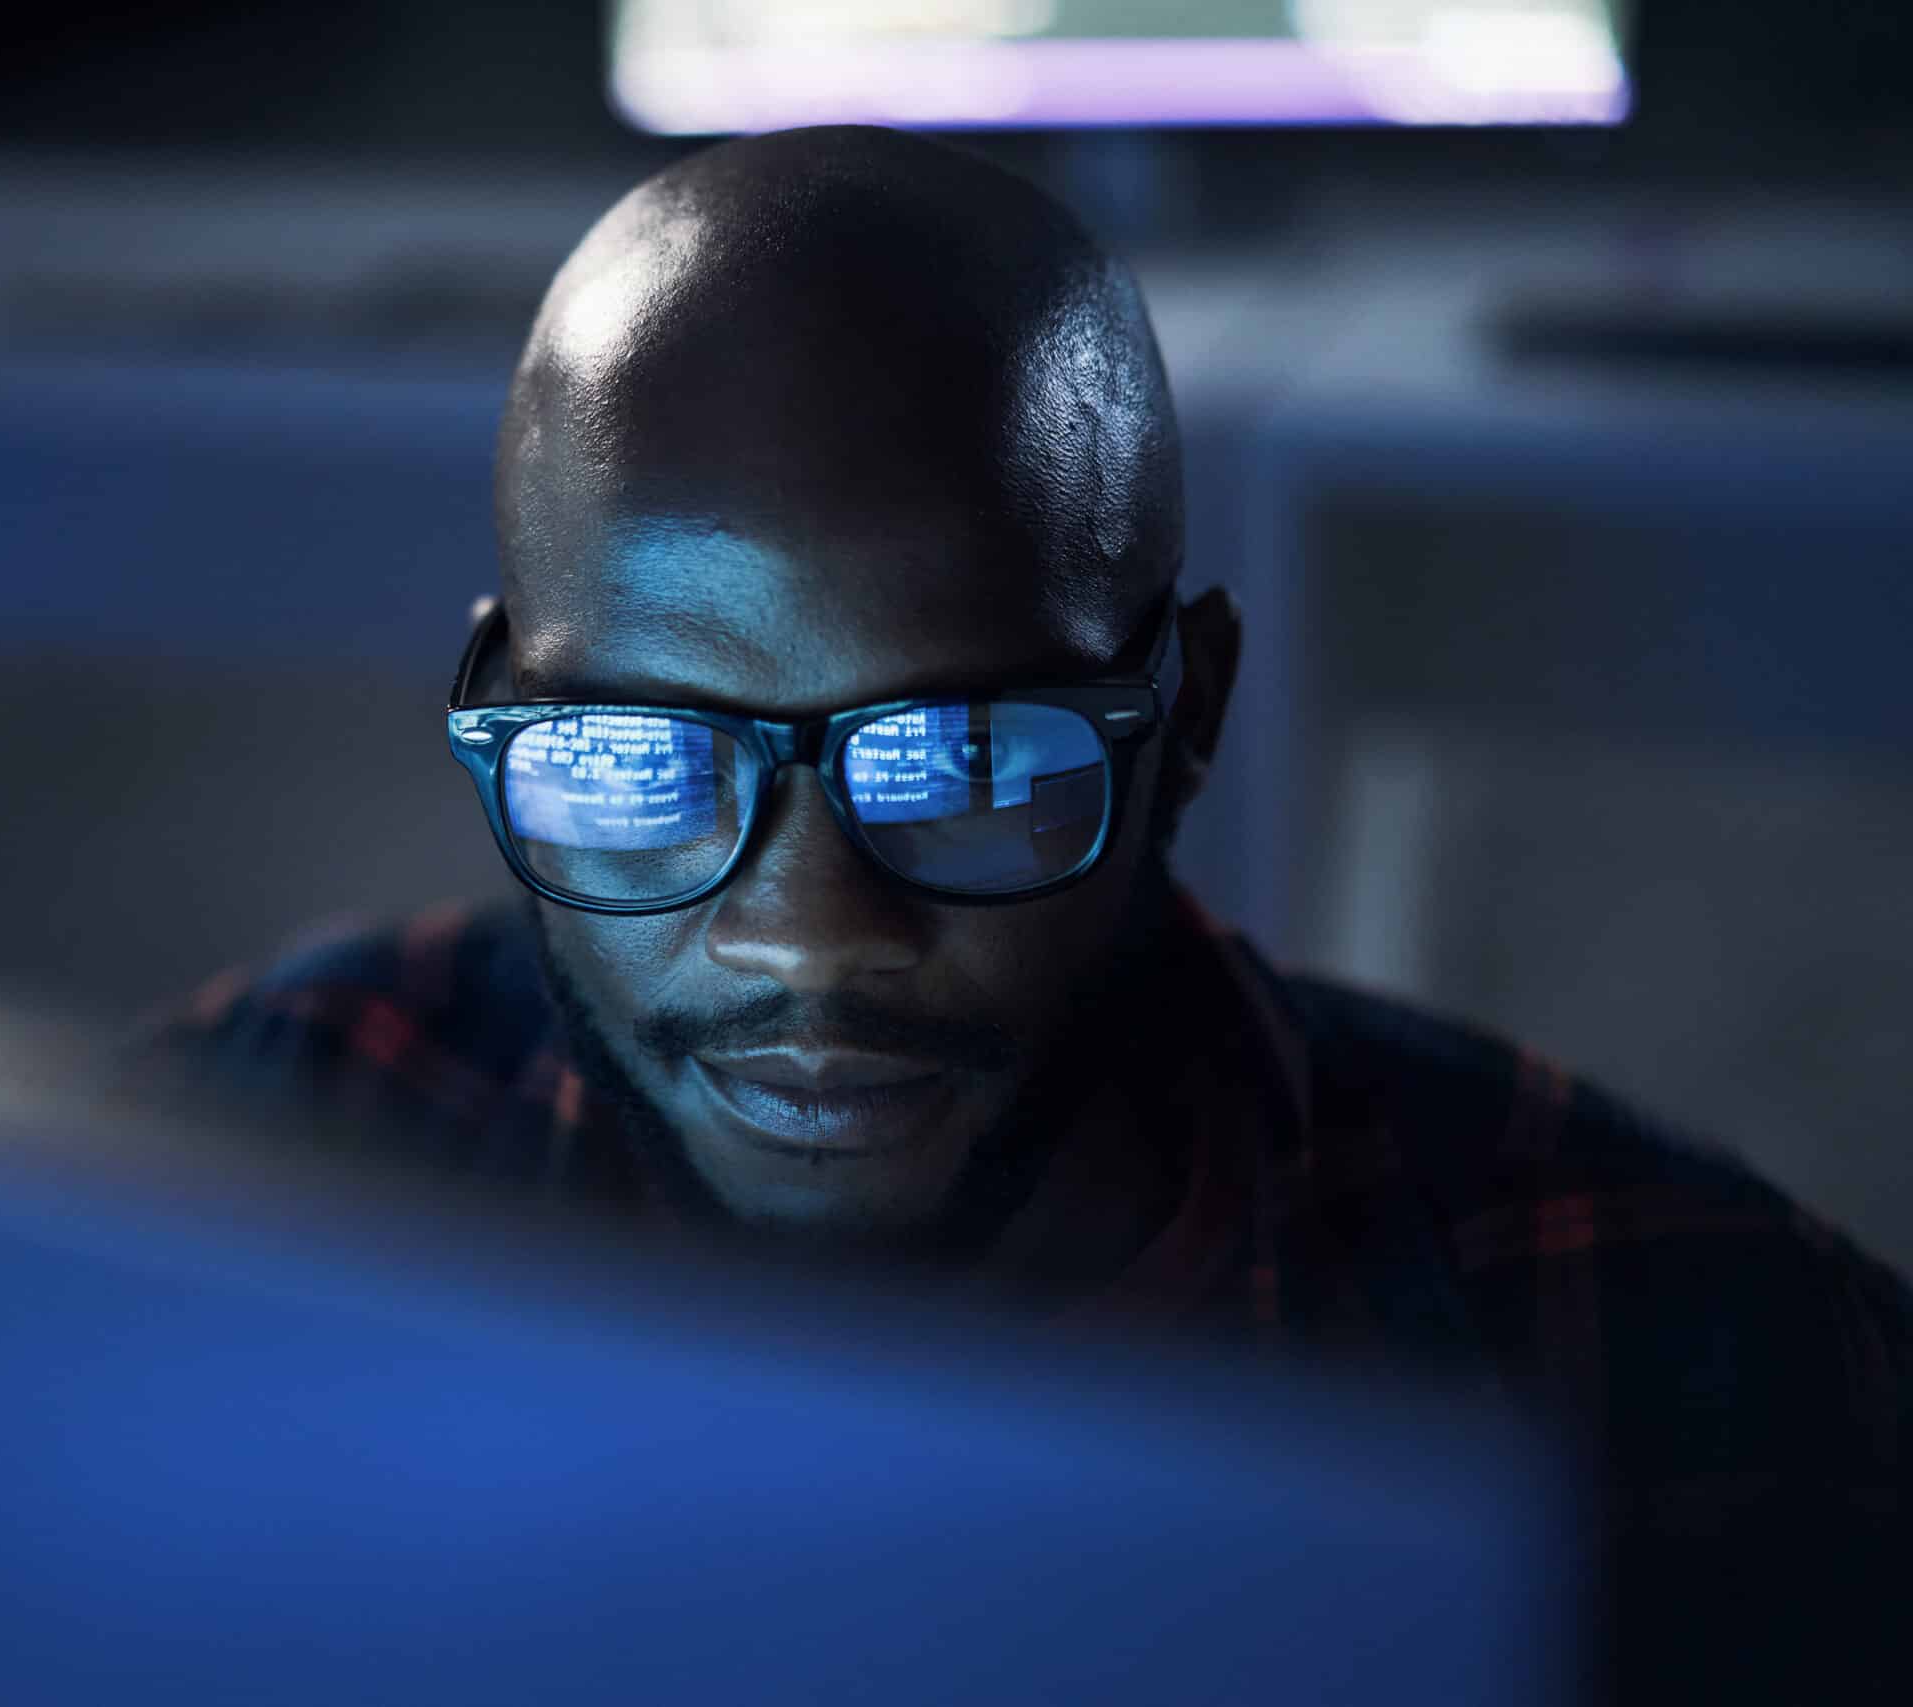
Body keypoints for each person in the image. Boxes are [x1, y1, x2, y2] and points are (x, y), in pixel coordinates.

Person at [133, 127, 1907, 1696]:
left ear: (1187, 719)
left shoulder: (1712, 1393)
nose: (810, 934)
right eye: (640, 754)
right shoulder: (244, 1167)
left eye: (963, 759)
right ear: (500, 709)